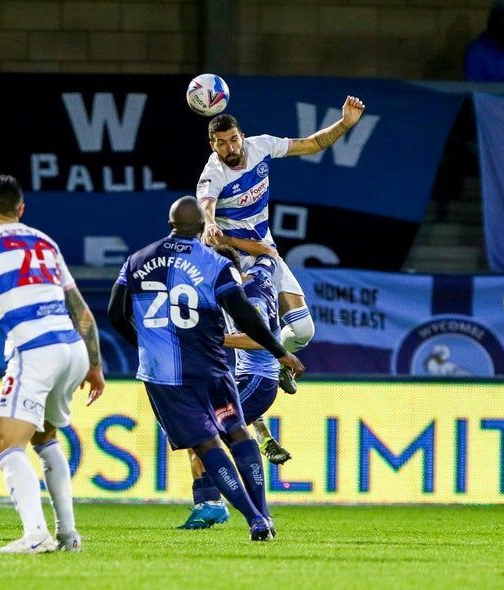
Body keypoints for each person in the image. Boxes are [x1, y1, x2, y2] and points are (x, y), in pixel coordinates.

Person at [108, 196, 304, 541]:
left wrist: (147, 343)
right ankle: (263, 515)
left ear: (170, 224)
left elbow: (114, 314)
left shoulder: (135, 261)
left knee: (207, 446)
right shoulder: (216, 263)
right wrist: (279, 351)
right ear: (202, 228)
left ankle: (251, 517)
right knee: (238, 433)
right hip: (211, 369)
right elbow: (245, 315)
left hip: (163, 376)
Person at [0, 175, 105, 556]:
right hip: (72, 348)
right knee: (46, 439)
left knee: (8, 445)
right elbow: (81, 308)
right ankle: (68, 534)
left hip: (36, 350)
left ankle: (34, 534)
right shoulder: (46, 242)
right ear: (21, 210)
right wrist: (94, 364)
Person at [197, 97, 365, 358]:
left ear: (243, 137)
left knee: (302, 331)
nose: (229, 148)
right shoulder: (213, 173)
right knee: (251, 337)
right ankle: (218, 356)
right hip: (236, 259)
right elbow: (206, 204)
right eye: (221, 143)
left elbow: (313, 144)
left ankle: (278, 361)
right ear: (212, 145)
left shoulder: (261, 146)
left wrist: (345, 123)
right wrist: (209, 225)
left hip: (266, 252)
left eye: (233, 140)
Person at [178, 245, 292, 530]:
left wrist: (216, 338)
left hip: (258, 380)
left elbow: (258, 338)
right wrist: (225, 236)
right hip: (244, 377)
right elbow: (269, 254)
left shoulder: (250, 297)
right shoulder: (259, 274)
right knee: (206, 436)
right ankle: (223, 504)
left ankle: (221, 505)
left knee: (207, 436)